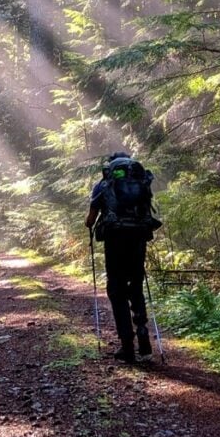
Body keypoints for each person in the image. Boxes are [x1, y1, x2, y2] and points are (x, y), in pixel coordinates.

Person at [85, 152, 155, 363]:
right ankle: (143, 333)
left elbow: (90, 219)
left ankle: (127, 346)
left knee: (116, 289)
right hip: (138, 239)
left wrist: (91, 223)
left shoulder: (104, 184)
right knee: (136, 285)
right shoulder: (140, 181)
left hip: (115, 241)